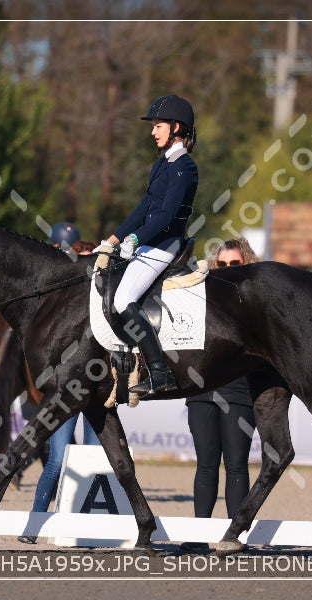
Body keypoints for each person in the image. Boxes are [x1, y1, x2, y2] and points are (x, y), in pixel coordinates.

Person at [103, 94, 198, 397]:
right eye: (154, 126)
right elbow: (144, 207)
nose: (153, 131)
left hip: (165, 243)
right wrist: (114, 239)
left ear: (177, 127)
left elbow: (167, 215)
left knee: (123, 299)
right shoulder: (161, 165)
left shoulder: (184, 167)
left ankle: (160, 372)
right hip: (148, 241)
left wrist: (136, 239)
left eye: (158, 126)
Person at [19, 240, 100, 544]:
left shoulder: (105, 302)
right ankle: (35, 523)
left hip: (97, 392)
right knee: (57, 459)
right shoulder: (59, 301)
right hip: (67, 390)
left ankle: (87, 527)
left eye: (88, 262)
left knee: (92, 460)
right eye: (79, 261)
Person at [181, 238, 257, 550]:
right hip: (202, 389)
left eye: (234, 264)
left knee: (237, 463)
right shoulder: (203, 294)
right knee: (206, 462)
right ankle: (200, 535)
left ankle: (233, 537)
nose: (227, 269)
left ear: (246, 264)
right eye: (222, 264)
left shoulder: (256, 298)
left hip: (240, 388)